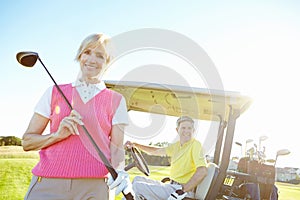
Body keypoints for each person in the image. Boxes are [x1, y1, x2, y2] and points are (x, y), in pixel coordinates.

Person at [23, 33, 132, 200]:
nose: (92, 60)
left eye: (100, 56)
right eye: (87, 52)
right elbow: (27, 142)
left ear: (108, 62)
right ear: (79, 55)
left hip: (95, 188)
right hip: (48, 183)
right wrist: (57, 135)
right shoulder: (53, 92)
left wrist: (121, 170)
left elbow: (116, 148)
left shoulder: (117, 100)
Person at [125, 116, 208, 200]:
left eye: (189, 128)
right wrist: (135, 145)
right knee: (137, 179)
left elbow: (202, 170)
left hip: (183, 190)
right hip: (172, 186)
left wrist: (182, 190)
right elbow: (156, 151)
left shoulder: (195, 145)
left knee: (137, 187)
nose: (186, 131)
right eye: (183, 128)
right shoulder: (176, 146)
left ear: (193, 130)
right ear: (177, 130)